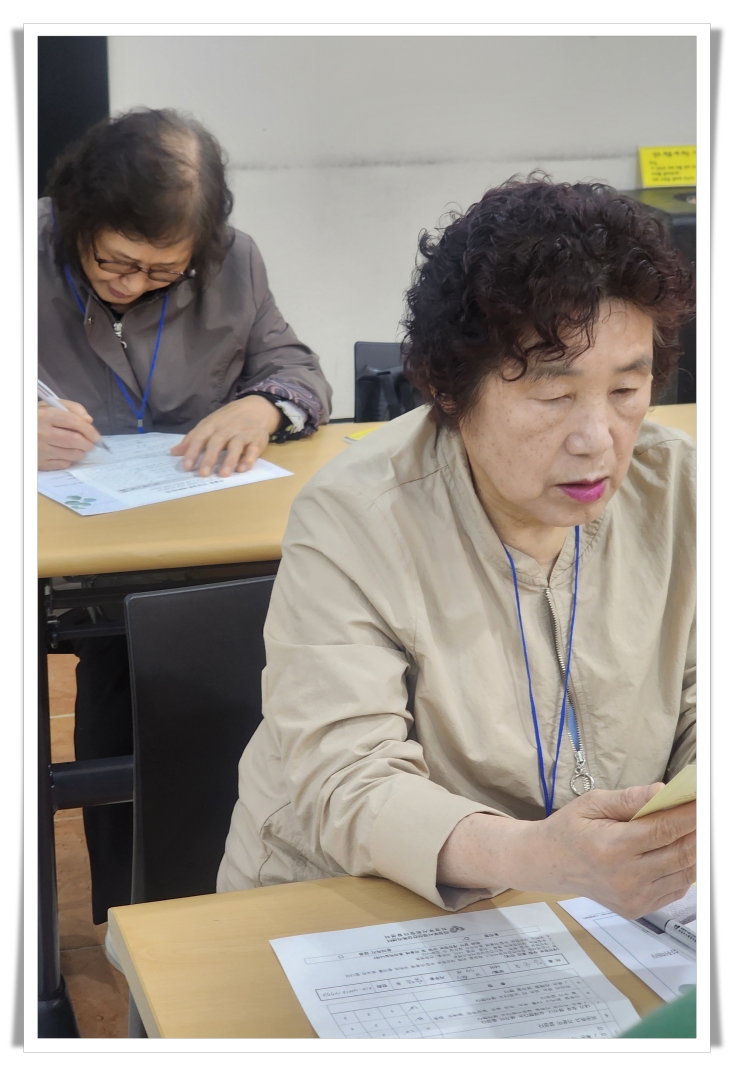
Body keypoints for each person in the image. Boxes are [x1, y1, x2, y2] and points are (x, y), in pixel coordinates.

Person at [218, 177, 696, 919]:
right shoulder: (356, 518)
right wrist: (538, 856)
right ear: (450, 389)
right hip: (354, 901)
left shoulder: (681, 490)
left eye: (626, 393)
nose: (597, 440)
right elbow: (347, 782)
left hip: (605, 909)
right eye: (555, 396)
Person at [39, 108, 332, 923]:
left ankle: (247, 900)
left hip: (202, 535)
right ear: (77, 217)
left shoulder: (234, 262)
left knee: (254, 653)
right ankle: (138, 911)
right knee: (124, 660)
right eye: (114, 261)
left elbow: (296, 369)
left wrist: (264, 406)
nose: (131, 285)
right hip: (76, 548)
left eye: (162, 271)